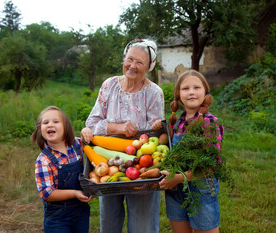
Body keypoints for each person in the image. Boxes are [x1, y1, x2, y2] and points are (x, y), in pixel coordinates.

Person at [81, 38, 164, 233]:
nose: (132, 66)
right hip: (106, 159)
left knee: (143, 226)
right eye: (130, 59)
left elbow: (158, 133)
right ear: (124, 59)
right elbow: (91, 124)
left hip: (142, 162)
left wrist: (155, 127)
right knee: (109, 223)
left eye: (140, 62)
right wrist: (117, 128)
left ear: (149, 67)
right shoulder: (109, 86)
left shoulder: (154, 93)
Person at [158, 70, 224, 233]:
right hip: (176, 191)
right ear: (178, 95)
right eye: (186, 88)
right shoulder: (177, 122)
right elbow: (170, 154)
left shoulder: (210, 123)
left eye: (197, 87)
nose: (192, 92)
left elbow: (211, 165)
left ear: (205, 92)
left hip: (201, 188)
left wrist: (180, 178)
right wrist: (160, 130)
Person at [32, 106, 93, 233]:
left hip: (81, 212)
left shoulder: (77, 145)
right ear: (40, 129)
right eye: (45, 122)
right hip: (57, 217)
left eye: (55, 121)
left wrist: (86, 130)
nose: (50, 125)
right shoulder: (43, 160)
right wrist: (75, 193)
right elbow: (47, 193)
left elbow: (93, 142)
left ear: (66, 127)